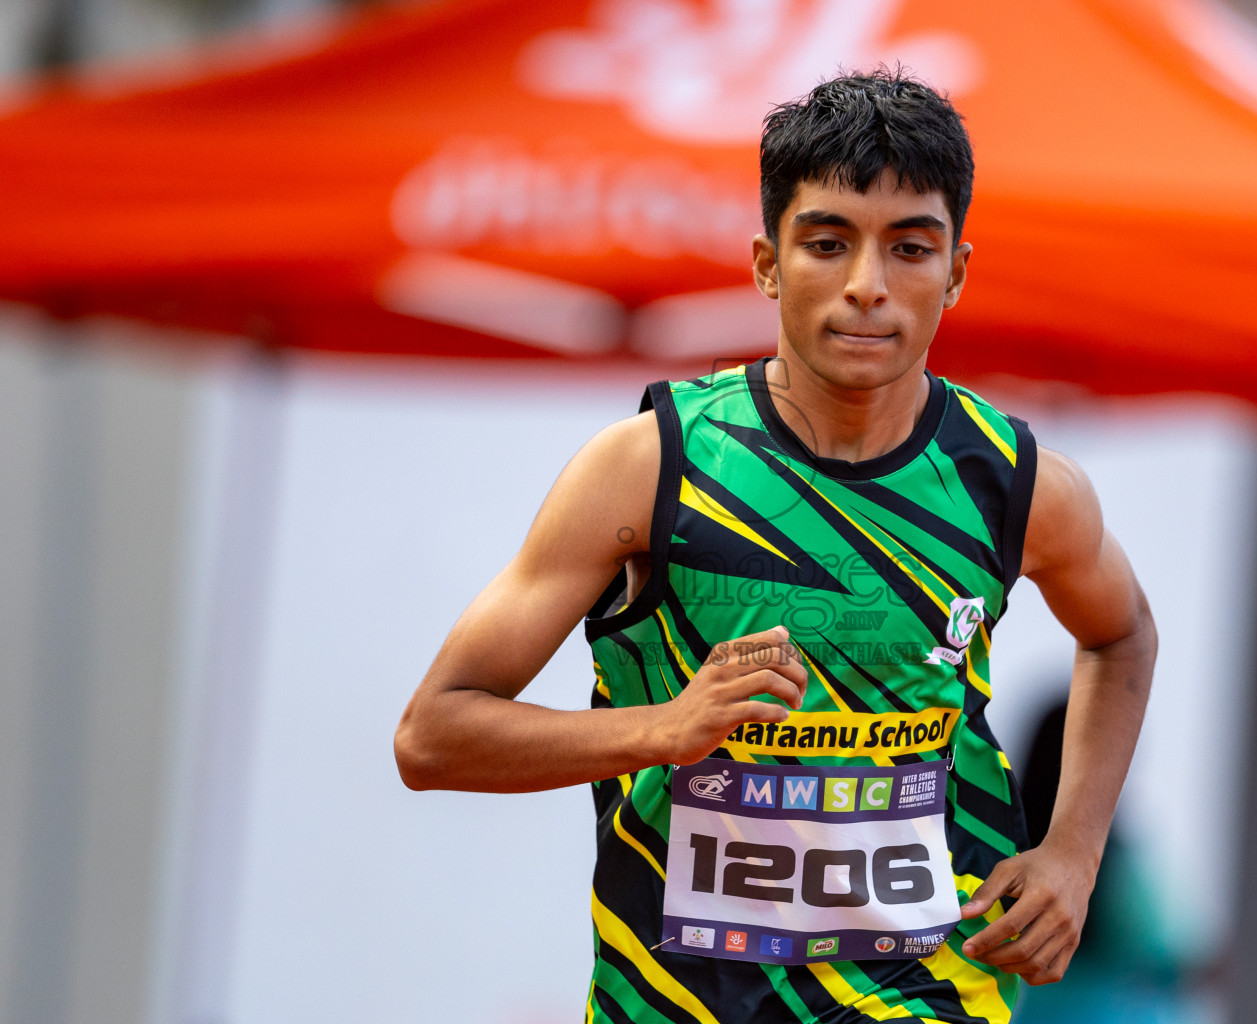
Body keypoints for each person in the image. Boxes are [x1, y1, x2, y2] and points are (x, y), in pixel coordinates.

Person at [394, 67, 1157, 1024]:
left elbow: (1122, 634)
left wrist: (1074, 854)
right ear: (766, 264)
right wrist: (664, 730)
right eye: (827, 243)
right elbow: (434, 736)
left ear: (957, 272)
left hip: (925, 999)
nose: (867, 287)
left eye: (910, 249)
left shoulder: (1014, 483)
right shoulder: (651, 468)